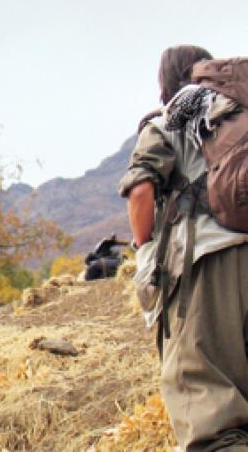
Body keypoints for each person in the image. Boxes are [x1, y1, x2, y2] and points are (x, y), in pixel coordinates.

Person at [120, 45, 248, 450]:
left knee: (208, 408)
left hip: (207, 268)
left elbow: (141, 189)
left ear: (164, 82)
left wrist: (144, 250)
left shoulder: (169, 120)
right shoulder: (240, 113)